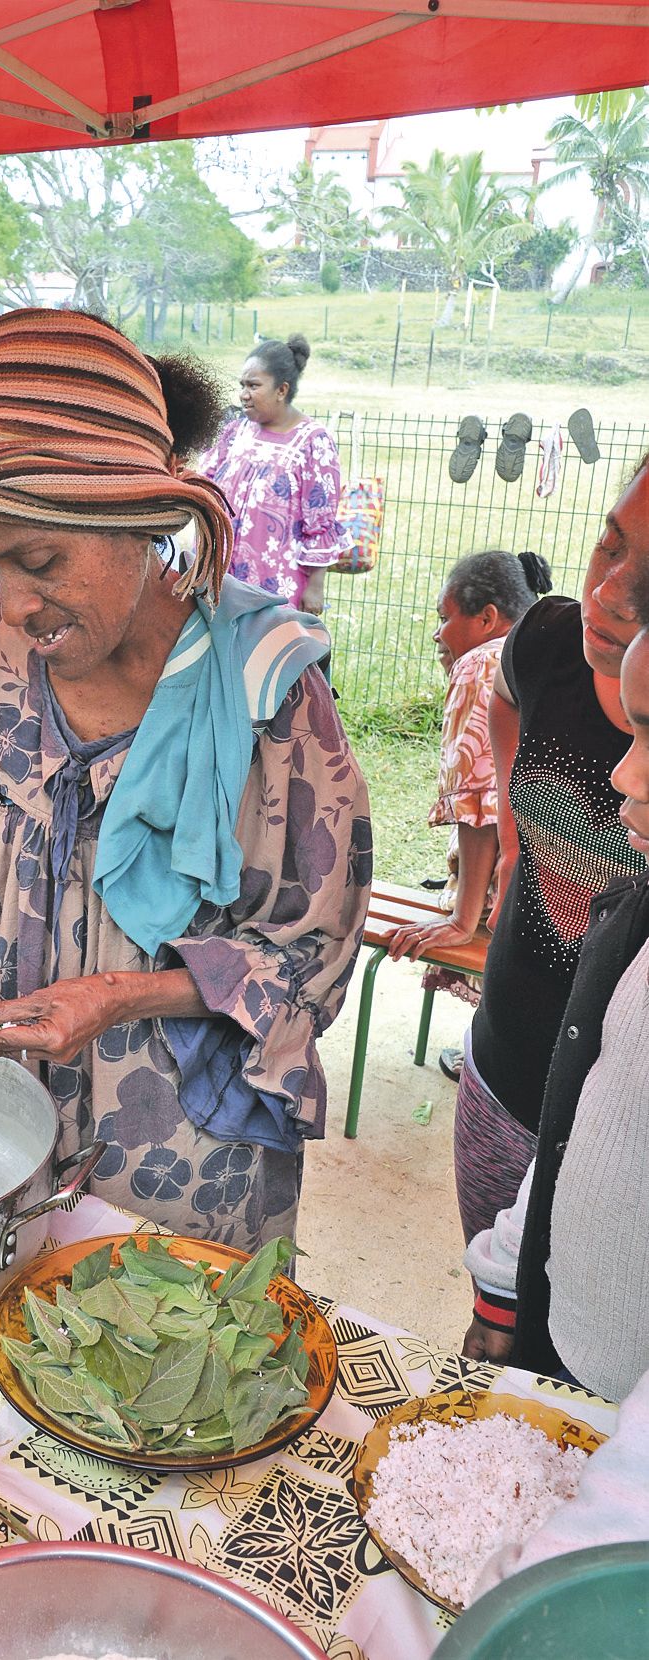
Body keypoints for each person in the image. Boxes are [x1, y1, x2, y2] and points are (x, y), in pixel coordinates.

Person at [0, 307, 373, 1251]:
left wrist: (123, 996)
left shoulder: (267, 693)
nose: (15, 602)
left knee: (169, 1354)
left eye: (40, 560)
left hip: (183, 1150)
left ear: (140, 516)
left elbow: (312, 948)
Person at [454, 456, 649, 1248]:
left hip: (622, 1134)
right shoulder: (546, 643)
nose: (608, 592)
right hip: (506, 1069)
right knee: (493, 1309)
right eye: (611, 545)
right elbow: (505, 702)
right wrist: (513, 829)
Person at [462, 604, 649, 1402]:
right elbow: (588, 1122)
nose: (622, 775)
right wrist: (503, 1282)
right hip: (564, 1342)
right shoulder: (633, 914)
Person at [387, 549, 553, 1078]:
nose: (438, 634)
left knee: (461, 909)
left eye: (444, 618)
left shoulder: (480, 664)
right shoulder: (544, 649)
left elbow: (483, 806)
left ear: (485, 618)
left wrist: (463, 919)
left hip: (519, 889)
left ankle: (494, 1053)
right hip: (571, 877)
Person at [199, 335, 351, 615]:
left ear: (282, 390)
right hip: (222, 577)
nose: (244, 394)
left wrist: (315, 585)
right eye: (242, 385)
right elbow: (204, 483)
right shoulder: (235, 432)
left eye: (254, 386)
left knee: (269, 654)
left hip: (277, 585)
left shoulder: (313, 441)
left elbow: (319, 520)